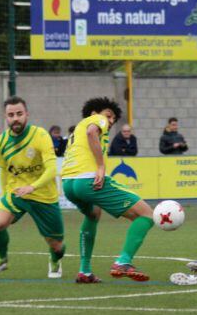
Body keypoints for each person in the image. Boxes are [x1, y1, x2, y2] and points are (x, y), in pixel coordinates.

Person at [61, 97, 156, 283]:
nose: (111, 121)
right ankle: (123, 261)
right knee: (147, 215)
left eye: (113, 119)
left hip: (68, 185)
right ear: (94, 113)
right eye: (109, 115)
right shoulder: (96, 120)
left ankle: (85, 272)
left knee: (93, 214)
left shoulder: (78, 128)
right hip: (87, 180)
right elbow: (92, 133)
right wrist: (100, 167)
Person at [0, 96, 66, 278]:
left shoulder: (41, 135)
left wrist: (33, 187)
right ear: (5, 117)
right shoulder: (1, 141)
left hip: (43, 196)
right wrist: (4, 194)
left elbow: (52, 169)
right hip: (16, 193)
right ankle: (2, 259)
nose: (15, 118)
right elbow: (4, 170)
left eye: (19, 114)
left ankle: (55, 259)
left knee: (57, 246)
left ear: (27, 115)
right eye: (11, 115)